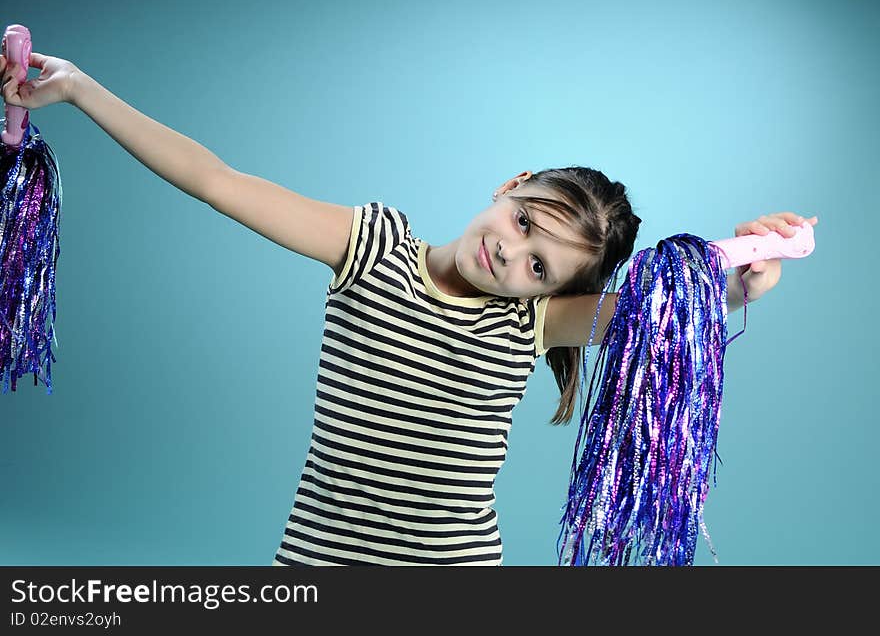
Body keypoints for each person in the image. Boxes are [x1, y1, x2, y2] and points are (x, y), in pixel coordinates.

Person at [0, 53, 819, 565]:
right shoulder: (372, 245)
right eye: (524, 220)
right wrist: (79, 90)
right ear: (509, 186)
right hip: (317, 567)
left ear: (550, 292)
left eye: (539, 265)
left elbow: (670, 308)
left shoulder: (531, 323)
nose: (510, 250)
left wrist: (752, 269)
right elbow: (218, 180)